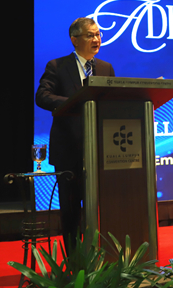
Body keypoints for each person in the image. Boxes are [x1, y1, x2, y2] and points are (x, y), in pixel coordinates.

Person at [36, 17, 115, 248]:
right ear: (74, 39)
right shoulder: (57, 66)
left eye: (98, 34)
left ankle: (101, 257)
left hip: (100, 151)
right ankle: (74, 261)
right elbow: (42, 96)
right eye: (90, 35)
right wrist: (76, 101)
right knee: (71, 212)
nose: (96, 39)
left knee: (100, 209)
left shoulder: (106, 68)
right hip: (69, 151)